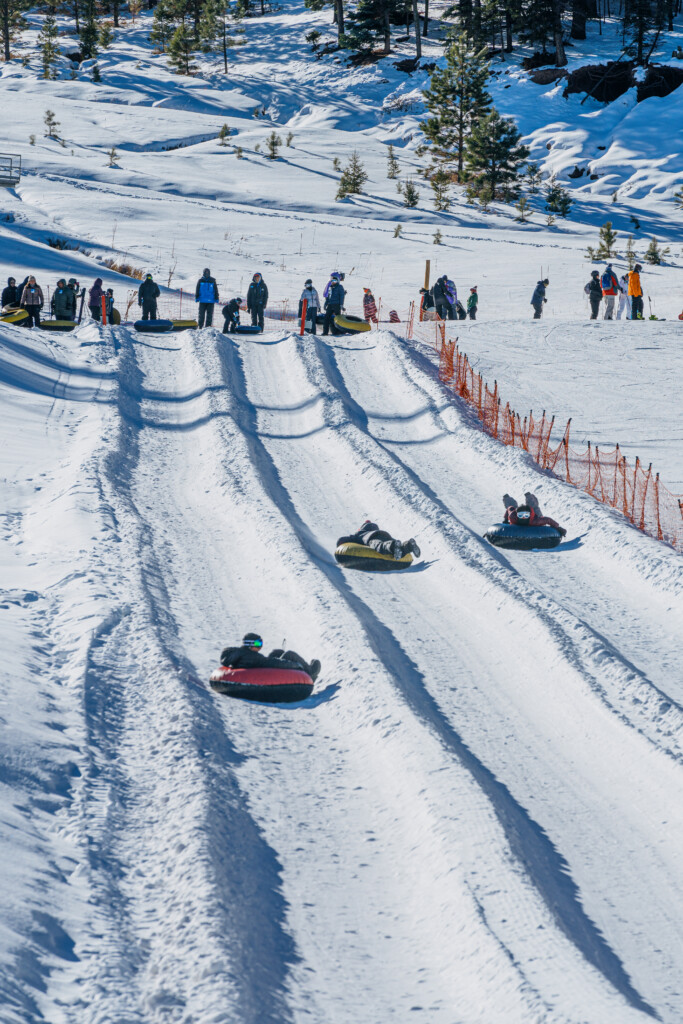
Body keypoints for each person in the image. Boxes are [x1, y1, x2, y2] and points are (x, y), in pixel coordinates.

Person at [220, 632, 321, 681]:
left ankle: (279, 654)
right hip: (268, 672)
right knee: (289, 654)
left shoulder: (240, 654)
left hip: (259, 669)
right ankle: (310, 672)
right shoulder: (253, 657)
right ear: (250, 644)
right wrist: (295, 665)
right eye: (258, 644)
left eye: (261, 643)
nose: (260, 646)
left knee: (276, 652)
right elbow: (274, 663)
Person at [336, 520, 420, 561]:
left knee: (379, 546)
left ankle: (393, 546)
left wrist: (340, 544)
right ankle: (408, 545)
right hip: (385, 535)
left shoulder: (360, 534)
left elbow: (344, 540)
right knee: (397, 548)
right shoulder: (376, 529)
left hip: (372, 538)